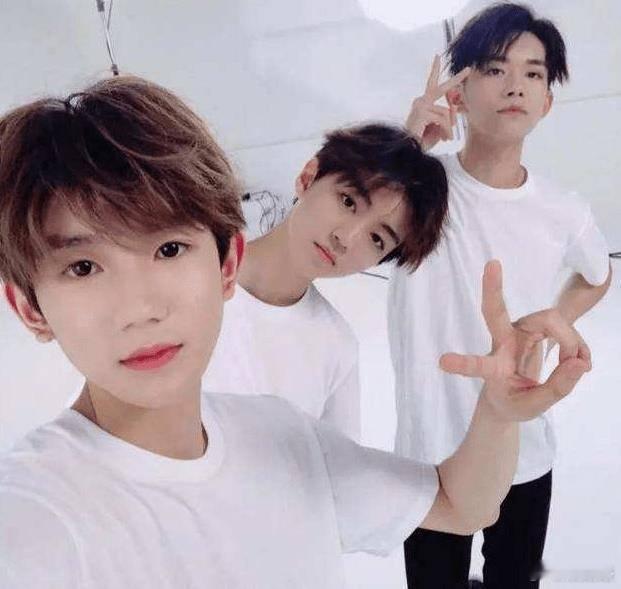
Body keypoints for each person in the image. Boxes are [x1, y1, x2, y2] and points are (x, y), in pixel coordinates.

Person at [0, 75, 590, 588]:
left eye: (169, 250)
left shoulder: (290, 428)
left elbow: (451, 504)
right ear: (29, 308)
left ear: (223, 264)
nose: (141, 308)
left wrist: (498, 414)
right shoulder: (36, 519)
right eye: (84, 267)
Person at [391, 3, 612, 587]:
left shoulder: (562, 209)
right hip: (432, 453)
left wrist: (549, 320)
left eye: (533, 73)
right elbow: (345, 222)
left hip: (523, 443)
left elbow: (598, 274)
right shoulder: (418, 186)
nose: (515, 85)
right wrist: (404, 146)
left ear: (547, 102)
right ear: (459, 93)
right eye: (494, 69)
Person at [203, 123, 449, 440]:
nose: (345, 238)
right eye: (348, 202)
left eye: (376, 239)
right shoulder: (189, 269)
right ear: (308, 177)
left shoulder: (337, 347)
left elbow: (336, 465)